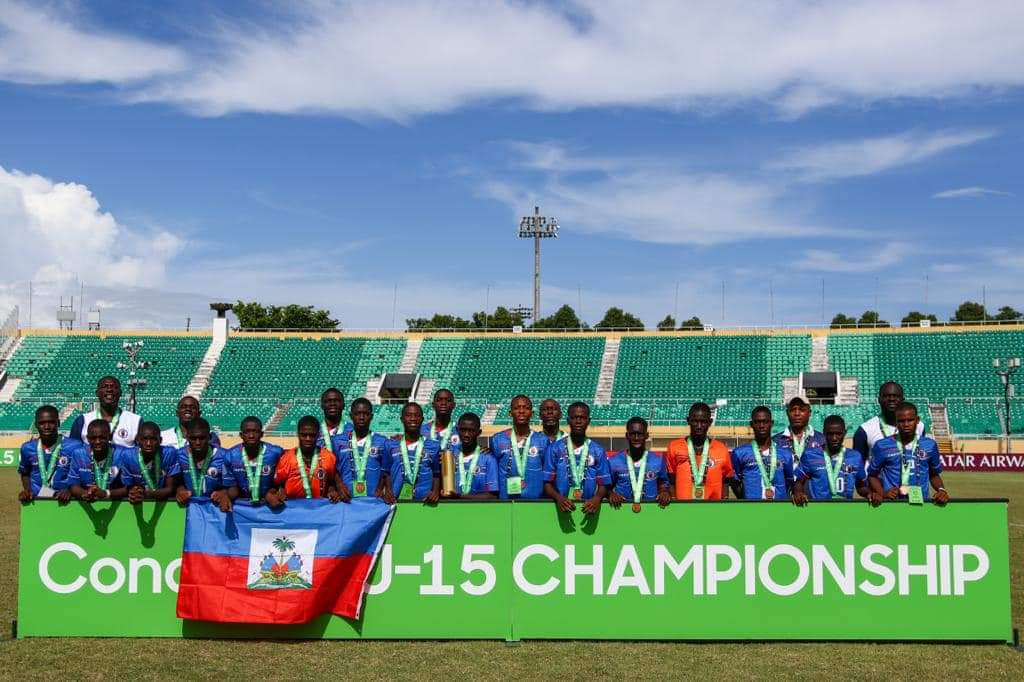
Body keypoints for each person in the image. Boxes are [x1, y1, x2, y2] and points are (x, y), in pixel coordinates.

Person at [867, 402, 949, 507]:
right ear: (896, 422)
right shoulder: (881, 445)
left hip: (921, 504)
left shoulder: (930, 445)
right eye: (901, 421)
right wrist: (883, 493)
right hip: (892, 504)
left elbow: (933, 474)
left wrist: (941, 490)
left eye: (910, 420)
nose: (906, 424)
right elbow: (872, 475)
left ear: (917, 420)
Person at [542, 401, 609, 514]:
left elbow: (604, 484)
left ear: (588, 421)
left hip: (589, 508)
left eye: (582, 418)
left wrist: (597, 498)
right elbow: (547, 483)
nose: (578, 421)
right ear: (568, 420)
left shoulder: (598, 450)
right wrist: (558, 498)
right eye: (574, 418)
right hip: (561, 507)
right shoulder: (554, 448)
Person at [666, 402, 737, 501]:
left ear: (710, 422)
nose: (699, 426)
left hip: (712, 506)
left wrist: (724, 500)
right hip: (684, 507)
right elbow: (671, 480)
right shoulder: (674, 447)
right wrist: (674, 501)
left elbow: (726, 481)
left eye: (703, 422)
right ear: (688, 421)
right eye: (695, 421)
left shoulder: (721, 449)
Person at [792, 415, 868, 504]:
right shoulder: (810, 455)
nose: (834, 438)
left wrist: (869, 494)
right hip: (818, 508)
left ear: (845, 433)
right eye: (830, 434)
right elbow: (798, 482)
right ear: (824, 433)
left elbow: (861, 486)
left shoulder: (855, 457)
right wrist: (798, 492)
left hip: (845, 509)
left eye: (838, 434)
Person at [268, 415, 343, 505]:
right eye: (304, 435)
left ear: (318, 435)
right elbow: (276, 484)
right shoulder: (286, 458)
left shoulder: (328, 457)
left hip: (318, 509)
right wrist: (277, 492)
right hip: (293, 509)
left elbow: (330, 481)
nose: (308, 439)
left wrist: (332, 490)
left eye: (312, 435)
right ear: (298, 434)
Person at [491, 395, 549, 499]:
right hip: (506, 501)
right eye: (516, 408)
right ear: (510, 413)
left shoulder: (542, 440)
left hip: (536, 502)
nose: (521, 411)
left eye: (526, 408)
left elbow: (547, 473)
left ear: (532, 413)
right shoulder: (497, 439)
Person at [731, 406, 795, 501]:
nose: (761, 425)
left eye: (765, 422)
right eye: (757, 422)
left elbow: (790, 481)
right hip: (752, 507)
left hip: (779, 507)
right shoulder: (739, 453)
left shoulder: (785, 454)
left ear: (771, 423)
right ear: (751, 424)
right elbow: (735, 482)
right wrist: (746, 498)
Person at [338, 398, 395, 504]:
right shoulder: (338, 441)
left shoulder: (382, 441)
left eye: (366, 414)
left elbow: (387, 471)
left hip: (372, 501)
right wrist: (339, 485)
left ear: (371, 416)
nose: (361, 417)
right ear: (351, 416)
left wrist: (387, 488)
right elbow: (333, 470)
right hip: (346, 500)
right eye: (357, 414)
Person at [607, 416, 671, 510]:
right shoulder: (614, 461)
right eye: (633, 434)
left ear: (646, 435)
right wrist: (611, 494)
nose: (636, 438)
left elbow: (664, 483)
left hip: (651, 511)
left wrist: (664, 491)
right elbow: (606, 487)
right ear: (627, 435)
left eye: (640, 434)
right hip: (622, 511)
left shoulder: (658, 460)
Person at [853, 382, 925, 460]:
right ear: (879, 400)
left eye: (896, 396)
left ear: (903, 400)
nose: (892, 399)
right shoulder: (865, 430)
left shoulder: (919, 426)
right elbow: (857, 464)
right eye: (886, 396)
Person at [223, 416, 284, 507]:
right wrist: (226, 495)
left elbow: (282, 483)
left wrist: (275, 491)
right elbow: (232, 488)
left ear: (261, 434)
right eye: (247, 432)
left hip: (269, 506)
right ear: (241, 435)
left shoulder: (276, 453)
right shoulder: (230, 456)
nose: (251, 436)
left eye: (255, 431)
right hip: (244, 507)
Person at [62, 419, 129, 502]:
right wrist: (86, 494)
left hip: (118, 504)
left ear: (110, 437)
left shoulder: (123, 454)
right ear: (88, 438)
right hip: (88, 504)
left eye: (102, 438)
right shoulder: (79, 454)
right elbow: (73, 485)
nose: (97, 441)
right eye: (93, 438)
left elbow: (130, 487)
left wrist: (106, 493)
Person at [387, 402, 441, 503]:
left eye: (417, 415)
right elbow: (386, 473)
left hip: (425, 503)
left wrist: (435, 491)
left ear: (422, 419)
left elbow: (436, 474)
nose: (413, 419)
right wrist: (388, 490)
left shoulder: (434, 446)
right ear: (402, 419)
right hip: (397, 502)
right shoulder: (390, 444)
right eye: (408, 415)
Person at [173, 417, 231, 512]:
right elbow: (175, 482)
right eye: (193, 438)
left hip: (215, 510)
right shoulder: (179, 455)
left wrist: (225, 493)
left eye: (202, 438)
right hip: (189, 510)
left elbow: (235, 486)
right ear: (187, 437)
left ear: (209, 437)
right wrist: (179, 490)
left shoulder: (225, 456)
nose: (198, 442)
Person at [68, 376, 141, 447]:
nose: (109, 389)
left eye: (114, 387)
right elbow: (72, 450)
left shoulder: (135, 421)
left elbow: (141, 451)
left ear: (120, 393)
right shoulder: (82, 421)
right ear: (97, 393)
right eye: (104, 386)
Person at [18, 405, 71, 502]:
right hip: (37, 500)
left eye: (51, 422)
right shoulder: (27, 448)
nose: (47, 427)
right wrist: (27, 490)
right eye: (42, 423)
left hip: (65, 501)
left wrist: (70, 490)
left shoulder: (74, 446)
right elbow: (25, 473)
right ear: (36, 425)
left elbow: (79, 475)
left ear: (58, 423)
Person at [118, 421, 179, 503]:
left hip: (163, 502)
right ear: (137, 440)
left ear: (160, 440)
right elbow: (128, 488)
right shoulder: (128, 456)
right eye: (144, 439)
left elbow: (170, 489)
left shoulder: (169, 453)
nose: (148, 443)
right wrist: (134, 492)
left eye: (153, 439)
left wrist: (145, 494)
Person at [449, 412, 499, 498]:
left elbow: (493, 495)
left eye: (471, 431)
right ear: (457, 430)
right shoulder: (450, 456)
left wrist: (460, 497)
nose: (466, 434)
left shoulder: (488, 458)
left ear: (479, 432)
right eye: (463, 430)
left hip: (478, 507)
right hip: (451, 506)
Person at [772, 396, 825, 469]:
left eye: (802, 409)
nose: (797, 413)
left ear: (809, 413)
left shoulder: (822, 440)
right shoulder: (775, 441)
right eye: (793, 410)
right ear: (787, 413)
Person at [422, 388, 460, 454]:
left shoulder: (460, 430)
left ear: (454, 405)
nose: (443, 403)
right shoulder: (421, 431)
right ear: (433, 405)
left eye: (448, 400)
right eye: (439, 400)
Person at [316, 387, 350, 453]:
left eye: (336, 400)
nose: (332, 404)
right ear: (322, 405)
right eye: (328, 401)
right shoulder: (314, 432)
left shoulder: (352, 431)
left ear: (343, 405)